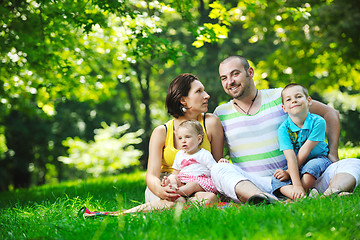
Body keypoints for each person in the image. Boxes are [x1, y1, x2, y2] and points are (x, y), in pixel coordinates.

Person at [211, 55, 360, 205]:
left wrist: (333, 153)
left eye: (235, 74)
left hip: (298, 177)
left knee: (354, 164)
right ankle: (265, 199)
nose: (230, 82)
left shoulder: (280, 97)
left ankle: (329, 194)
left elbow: (330, 113)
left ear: (250, 72)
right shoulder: (221, 113)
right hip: (254, 184)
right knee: (219, 169)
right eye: (224, 78)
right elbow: (217, 159)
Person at [79, 73, 224, 217]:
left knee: (208, 199)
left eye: (203, 90)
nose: (206, 95)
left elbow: (216, 166)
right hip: (169, 182)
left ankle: (182, 208)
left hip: (200, 183)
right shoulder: (162, 132)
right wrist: (161, 190)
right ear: (183, 100)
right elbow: (152, 175)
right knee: (175, 202)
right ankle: (115, 214)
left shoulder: (211, 123)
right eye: (199, 91)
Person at [271, 83, 332, 200]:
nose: (294, 101)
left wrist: (295, 181)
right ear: (284, 108)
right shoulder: (283, 129)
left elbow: (305, 150)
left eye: (298, 96)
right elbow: (290, 157)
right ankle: (302, 197)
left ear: (309, 100)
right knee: (276, 179)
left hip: (318, 159)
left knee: (310, 169)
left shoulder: (318, 122)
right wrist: (288, 173)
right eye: (288, 99)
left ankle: (297, 196)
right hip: (295, 163)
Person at [162, 120, 228, 199]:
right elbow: (175, 172)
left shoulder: (204, 154)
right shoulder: (179, 154)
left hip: (199, 182)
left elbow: (214, 170)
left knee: (193, 185)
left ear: (199, 139)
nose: (183, 141)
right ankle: (171, 188)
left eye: (187, 137)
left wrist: (221, 164)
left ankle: (177, 192)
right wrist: (171, 180)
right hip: (183, 181)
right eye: (180, 138)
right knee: (172, 177)